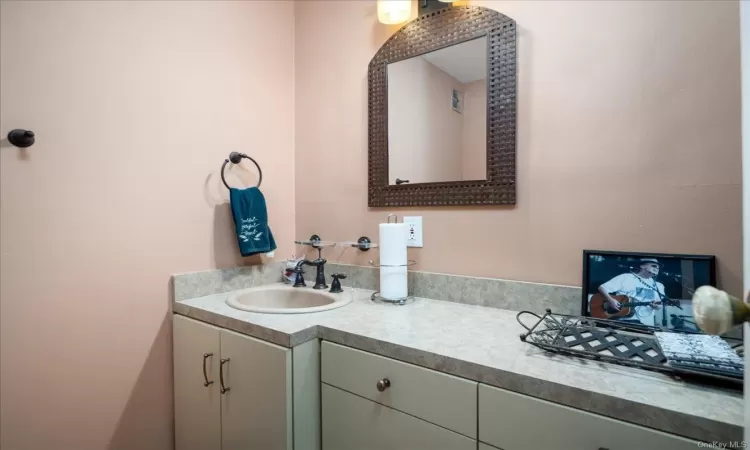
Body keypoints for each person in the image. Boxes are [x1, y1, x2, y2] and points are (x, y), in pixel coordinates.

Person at [596, 258, 666, 326]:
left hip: (647, 324)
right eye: (653, 265)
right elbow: (602, 288)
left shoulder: (659, 286)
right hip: (623, 321)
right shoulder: (626, 277)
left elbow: (659, 305)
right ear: (642, 266)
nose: (657, 268)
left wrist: (656, 306)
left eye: (658, 268)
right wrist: (611, 300)